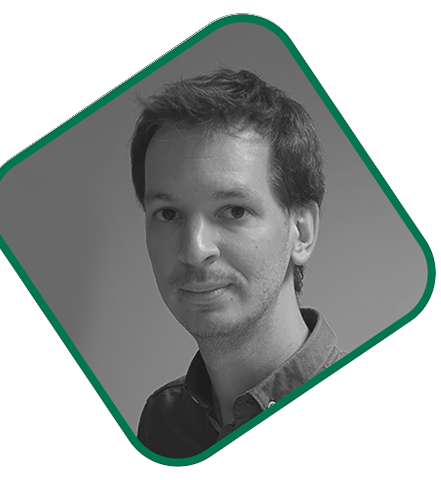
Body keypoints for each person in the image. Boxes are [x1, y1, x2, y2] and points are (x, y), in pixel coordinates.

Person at [130, 68, 346, 458]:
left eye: (234, 211)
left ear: (301, 232)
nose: (194, 250)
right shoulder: (163, 424)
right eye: (168, 214)